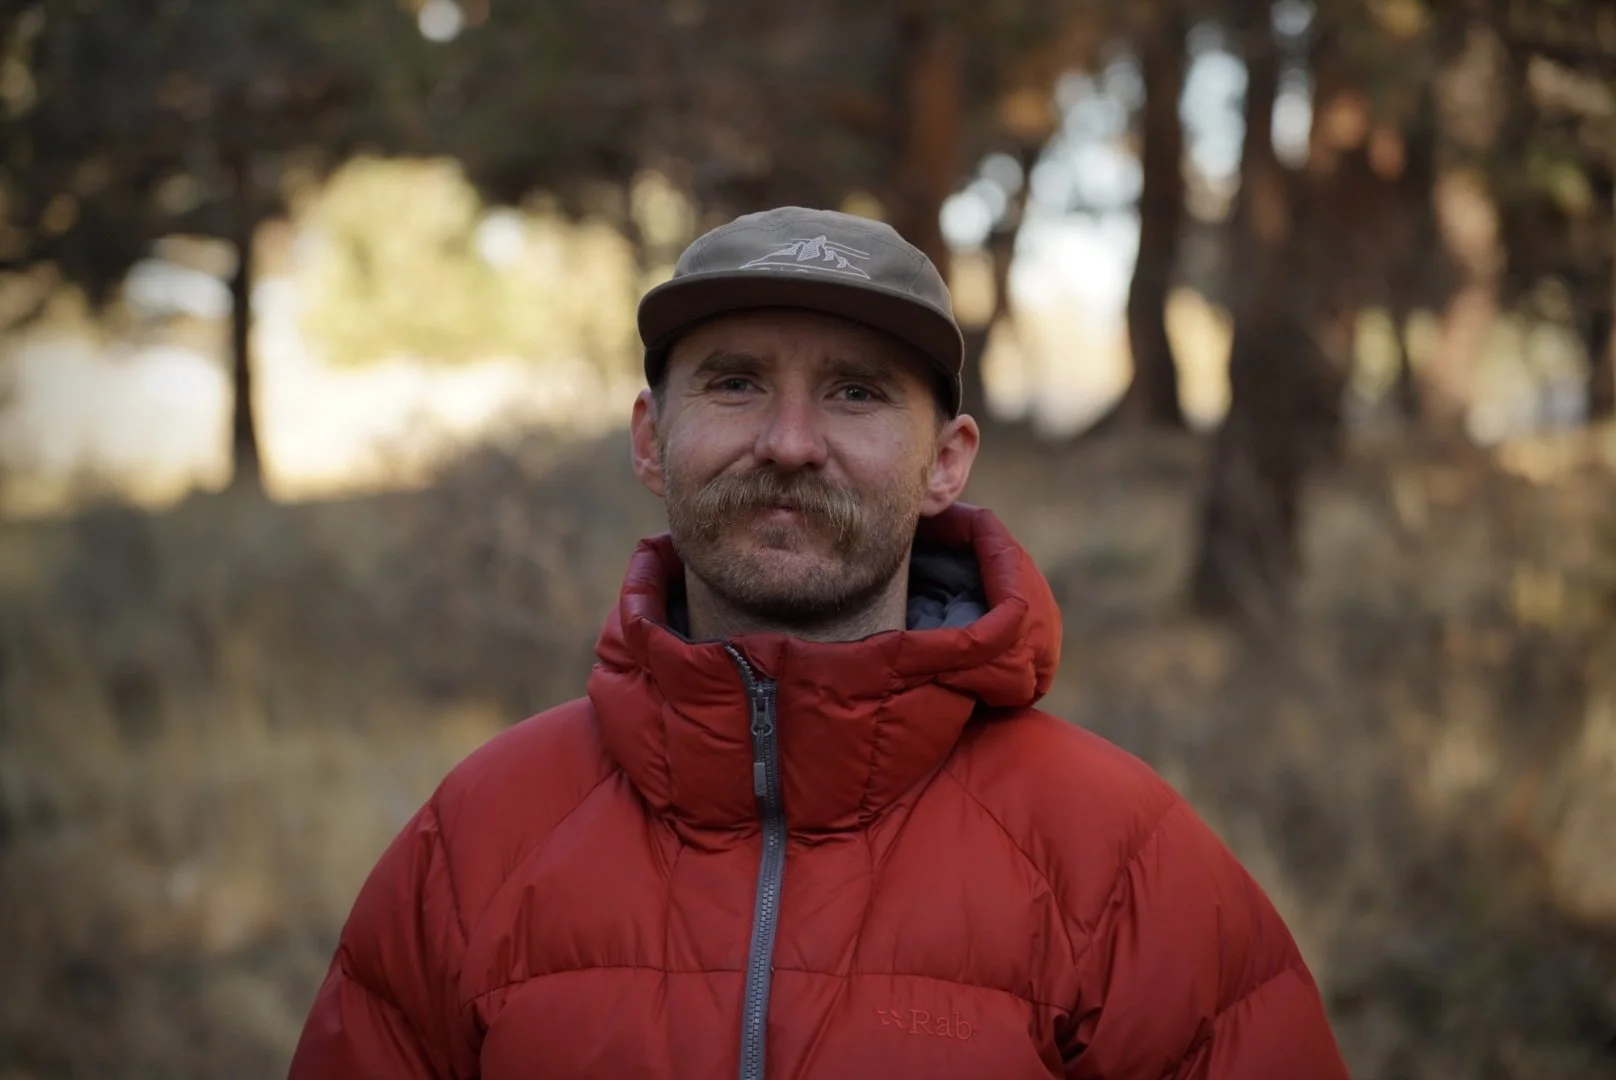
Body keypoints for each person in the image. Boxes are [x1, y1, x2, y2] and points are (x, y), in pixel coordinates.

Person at [287, 207, 1350, 1079]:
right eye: (735, 381)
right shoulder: (474, 844)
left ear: (945, 461)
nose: (789, 443)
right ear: (652, 439)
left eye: (855, 392)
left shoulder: (1120, 864)